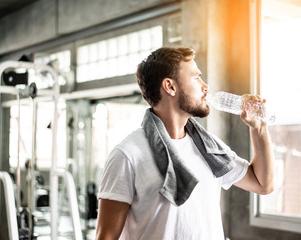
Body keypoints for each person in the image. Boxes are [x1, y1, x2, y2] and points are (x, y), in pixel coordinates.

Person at [96, 47, 274, 240]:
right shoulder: (128, 154)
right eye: (196, 78)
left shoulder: (210, 149)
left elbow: (263, 184)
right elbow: (106, 237)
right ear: (170, 87)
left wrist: (259, 128)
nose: (205, 87)